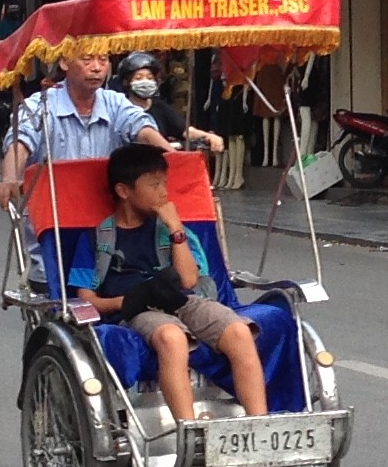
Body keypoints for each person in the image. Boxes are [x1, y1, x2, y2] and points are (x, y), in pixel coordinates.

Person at [89, 140, 267, 423]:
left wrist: (175, 228)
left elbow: (188, 279)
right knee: (172, 338)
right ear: (123, 191)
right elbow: (86, 296)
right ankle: (190, 429)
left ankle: (259, 423)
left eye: (164, 184)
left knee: (239, 332)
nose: (163, 193)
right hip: (138, 308)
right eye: (153, 185)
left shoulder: (170, 230)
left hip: (181, 299)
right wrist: (125, 301)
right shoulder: (98, 237)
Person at [0, 50, 172, 215]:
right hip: (54, 220)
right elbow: (21, 141)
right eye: (87, 59)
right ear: (64, 62)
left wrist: (176, 159)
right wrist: (10, 178)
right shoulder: (40, 105)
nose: (96, 68)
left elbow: (143, 129)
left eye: (103, 60)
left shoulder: (116, 103)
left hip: (107, 221)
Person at [118, 54, 223, 154]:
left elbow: (187, 131)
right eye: (138, 78)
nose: (145, 82)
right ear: (126, 82)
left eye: (150, 78)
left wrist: (209, 136)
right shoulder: (120, 108)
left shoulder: (161, 108)